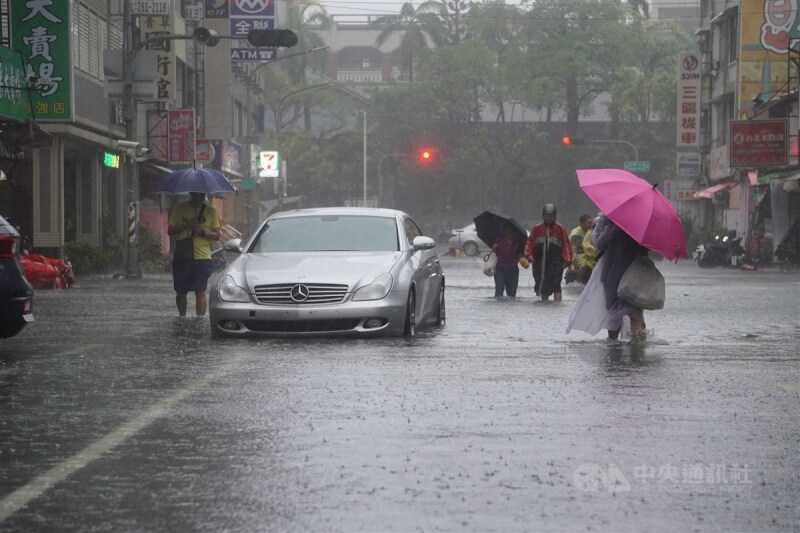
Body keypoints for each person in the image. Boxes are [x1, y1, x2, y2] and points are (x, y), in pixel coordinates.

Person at [566, 214, 649, 343]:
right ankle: (613, 346)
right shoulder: (606, 218)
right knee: (614, 314)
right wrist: (615, 227)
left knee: (636, 313)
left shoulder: (641, 219)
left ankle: (638, 350)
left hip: (634, 271)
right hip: (611, 273)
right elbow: (599, 243)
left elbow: (646, 247)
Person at [168, 192, 221, 317]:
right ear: (191, 194)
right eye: (196, 195)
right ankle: (182, 319)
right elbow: (170, 230)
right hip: (183, 256)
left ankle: (200, 321)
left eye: (201, 195)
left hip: (202, 258)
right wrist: (187, 225)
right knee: (181, 291)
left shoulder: (211, 211)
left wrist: (202, 231)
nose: (199, 198)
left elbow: (217, 235)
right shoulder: (180, 208)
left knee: (200, 291)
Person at [524, 204, 573, 302]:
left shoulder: (560, 228)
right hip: (539, 262)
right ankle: (544, 304)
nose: (549, 217)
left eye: (551, 215)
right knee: (542, 285)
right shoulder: (536, 228)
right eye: (547, 215)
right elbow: (529, 242)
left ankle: (557, 305)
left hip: (556, 262)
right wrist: (528, 255)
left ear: (555, 216)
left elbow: (566, 245)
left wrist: (568, 261)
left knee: (556, 284)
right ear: (543, 215)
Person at [491, 222, 524, 298]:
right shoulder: (499, 240)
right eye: (508, 230)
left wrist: (521, 256)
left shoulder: (518, 242)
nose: (510, 233)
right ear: (504, 231)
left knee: (512, 294)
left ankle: (510, 309)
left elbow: (521, 254)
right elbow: (494, 251)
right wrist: (494, 248)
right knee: (499, 292)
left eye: (512, 231)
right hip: (500, 269)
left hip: (513, 270)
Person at [567, 214, 594, 283]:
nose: (591, 225)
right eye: (589, 223)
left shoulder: (591, 232)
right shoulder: (575, 234)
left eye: (591, 222)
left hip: (589, 254)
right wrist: (569, 267)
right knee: (585, 265)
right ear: (582, 224)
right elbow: (571, 250)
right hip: (578, 254)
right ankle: (578, 283)